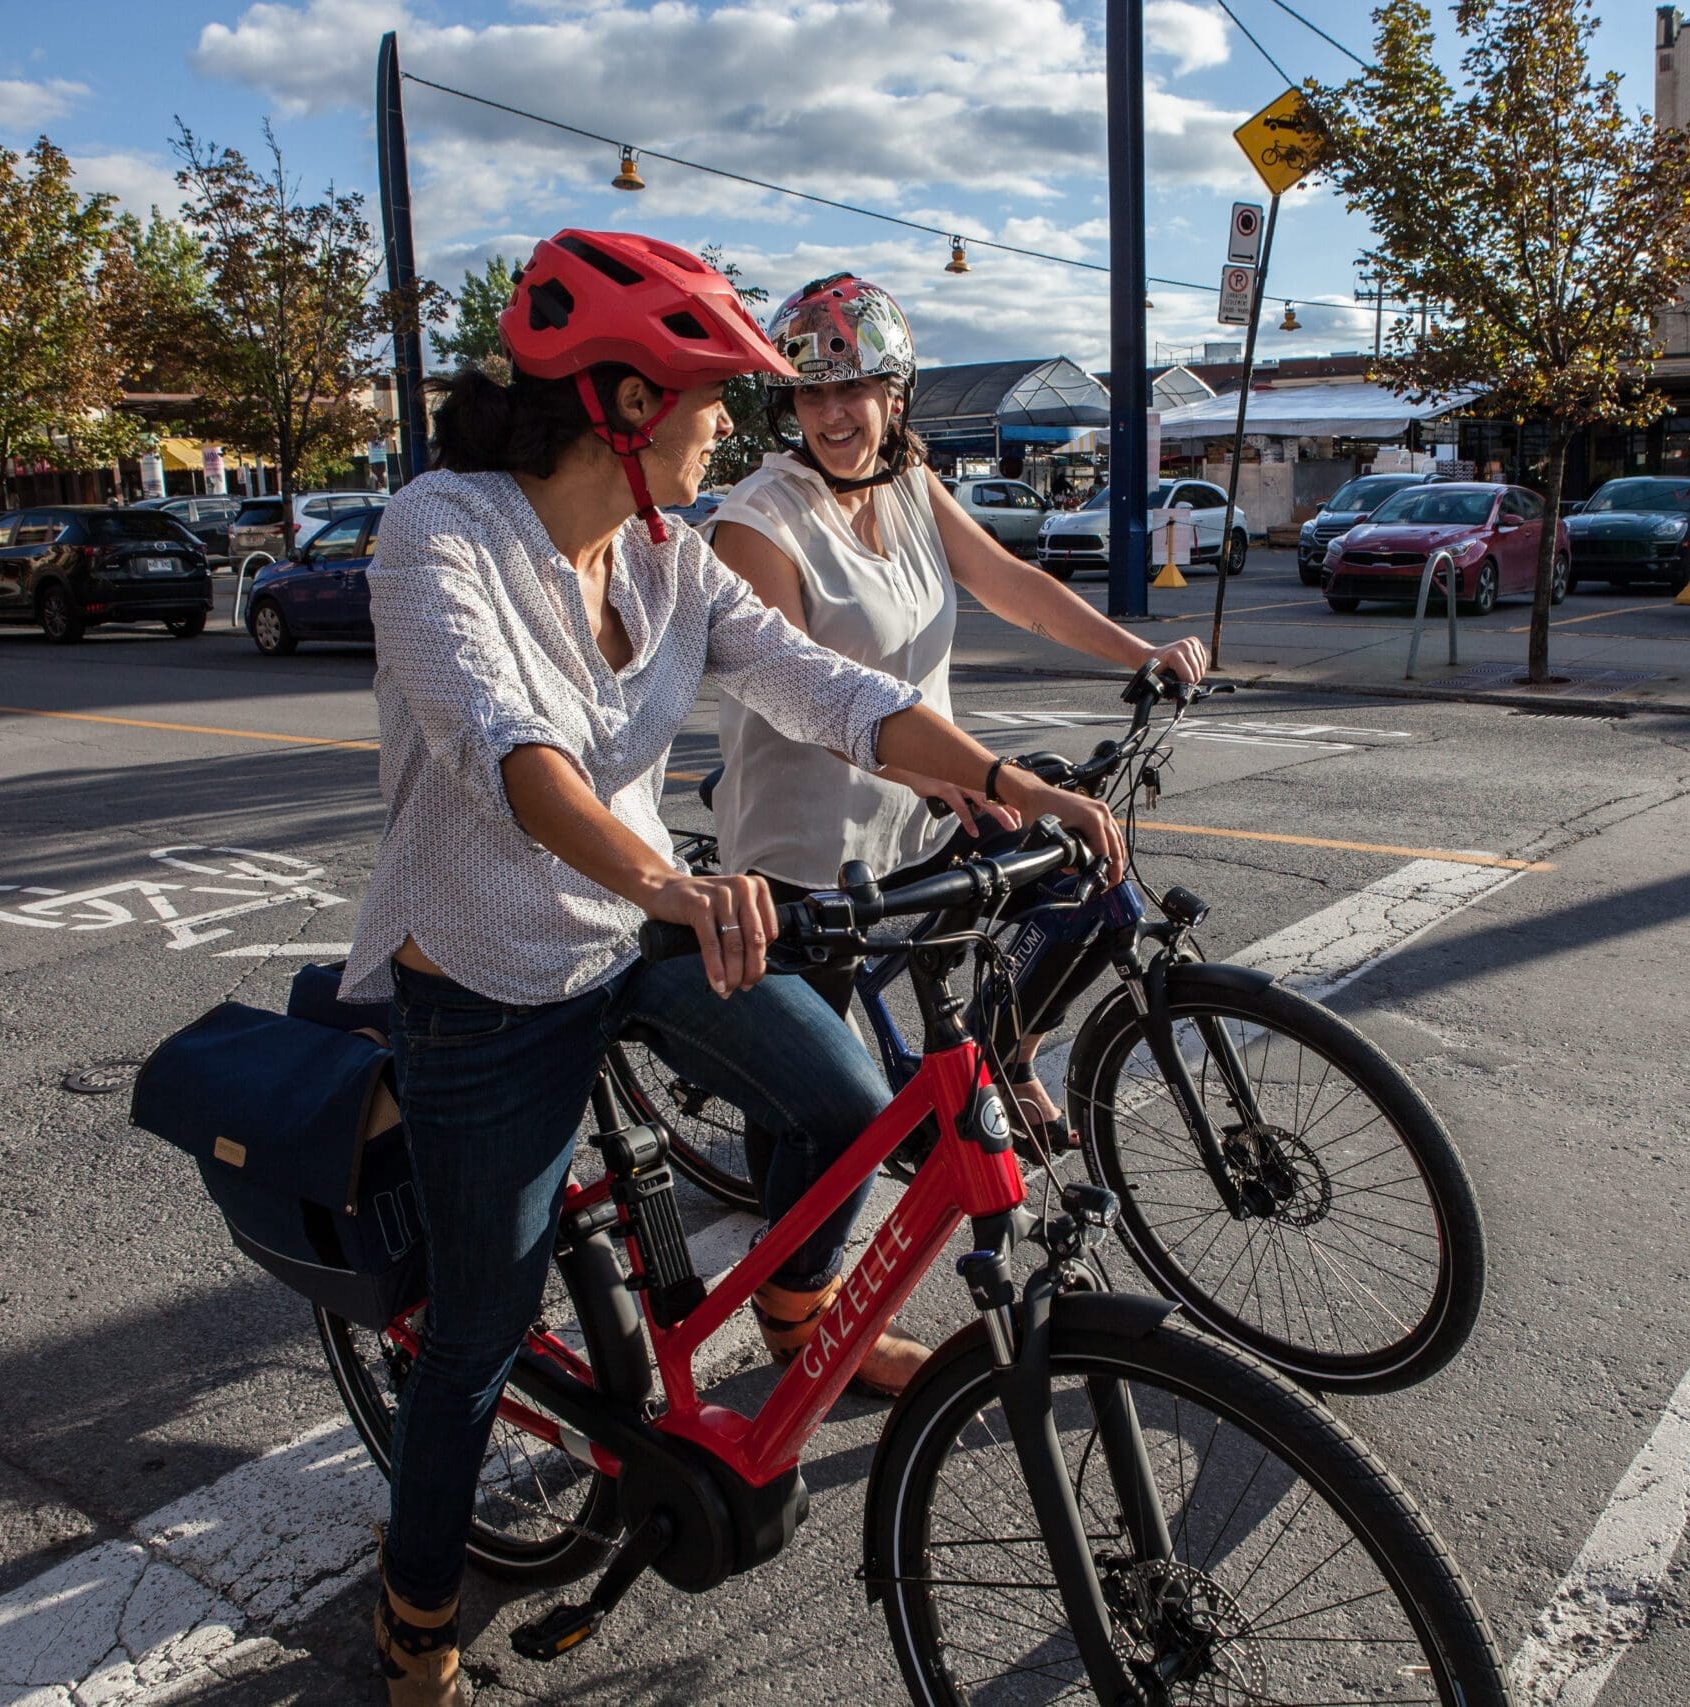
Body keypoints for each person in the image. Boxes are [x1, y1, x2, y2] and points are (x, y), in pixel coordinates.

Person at [337, 230, 1122, 1707]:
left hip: (636, 924)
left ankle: (771, 1318)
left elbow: (829, 686)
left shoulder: (665, 552)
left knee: (846, 1110)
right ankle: (416, 1615)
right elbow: (510, 750)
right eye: (711, 399)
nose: (730, 428)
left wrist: (1007, 780)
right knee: (478, 1335)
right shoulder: (438, 532)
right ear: (626, 402)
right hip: (488, 979)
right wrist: (673, 882)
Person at [707, 274, 1202, 1147]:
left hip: (927, 810)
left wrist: (1143, 653)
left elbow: (1014, 587)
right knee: (812, 1112)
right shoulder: (760, 523)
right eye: (811, 392)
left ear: (895, 395)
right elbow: (804, 700)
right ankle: (796, 1252)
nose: (832, 414)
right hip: (809, 847)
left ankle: (1002, 1056)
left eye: (854, 386)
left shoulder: (907, 480)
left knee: (1078, 874)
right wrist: (964, 774)